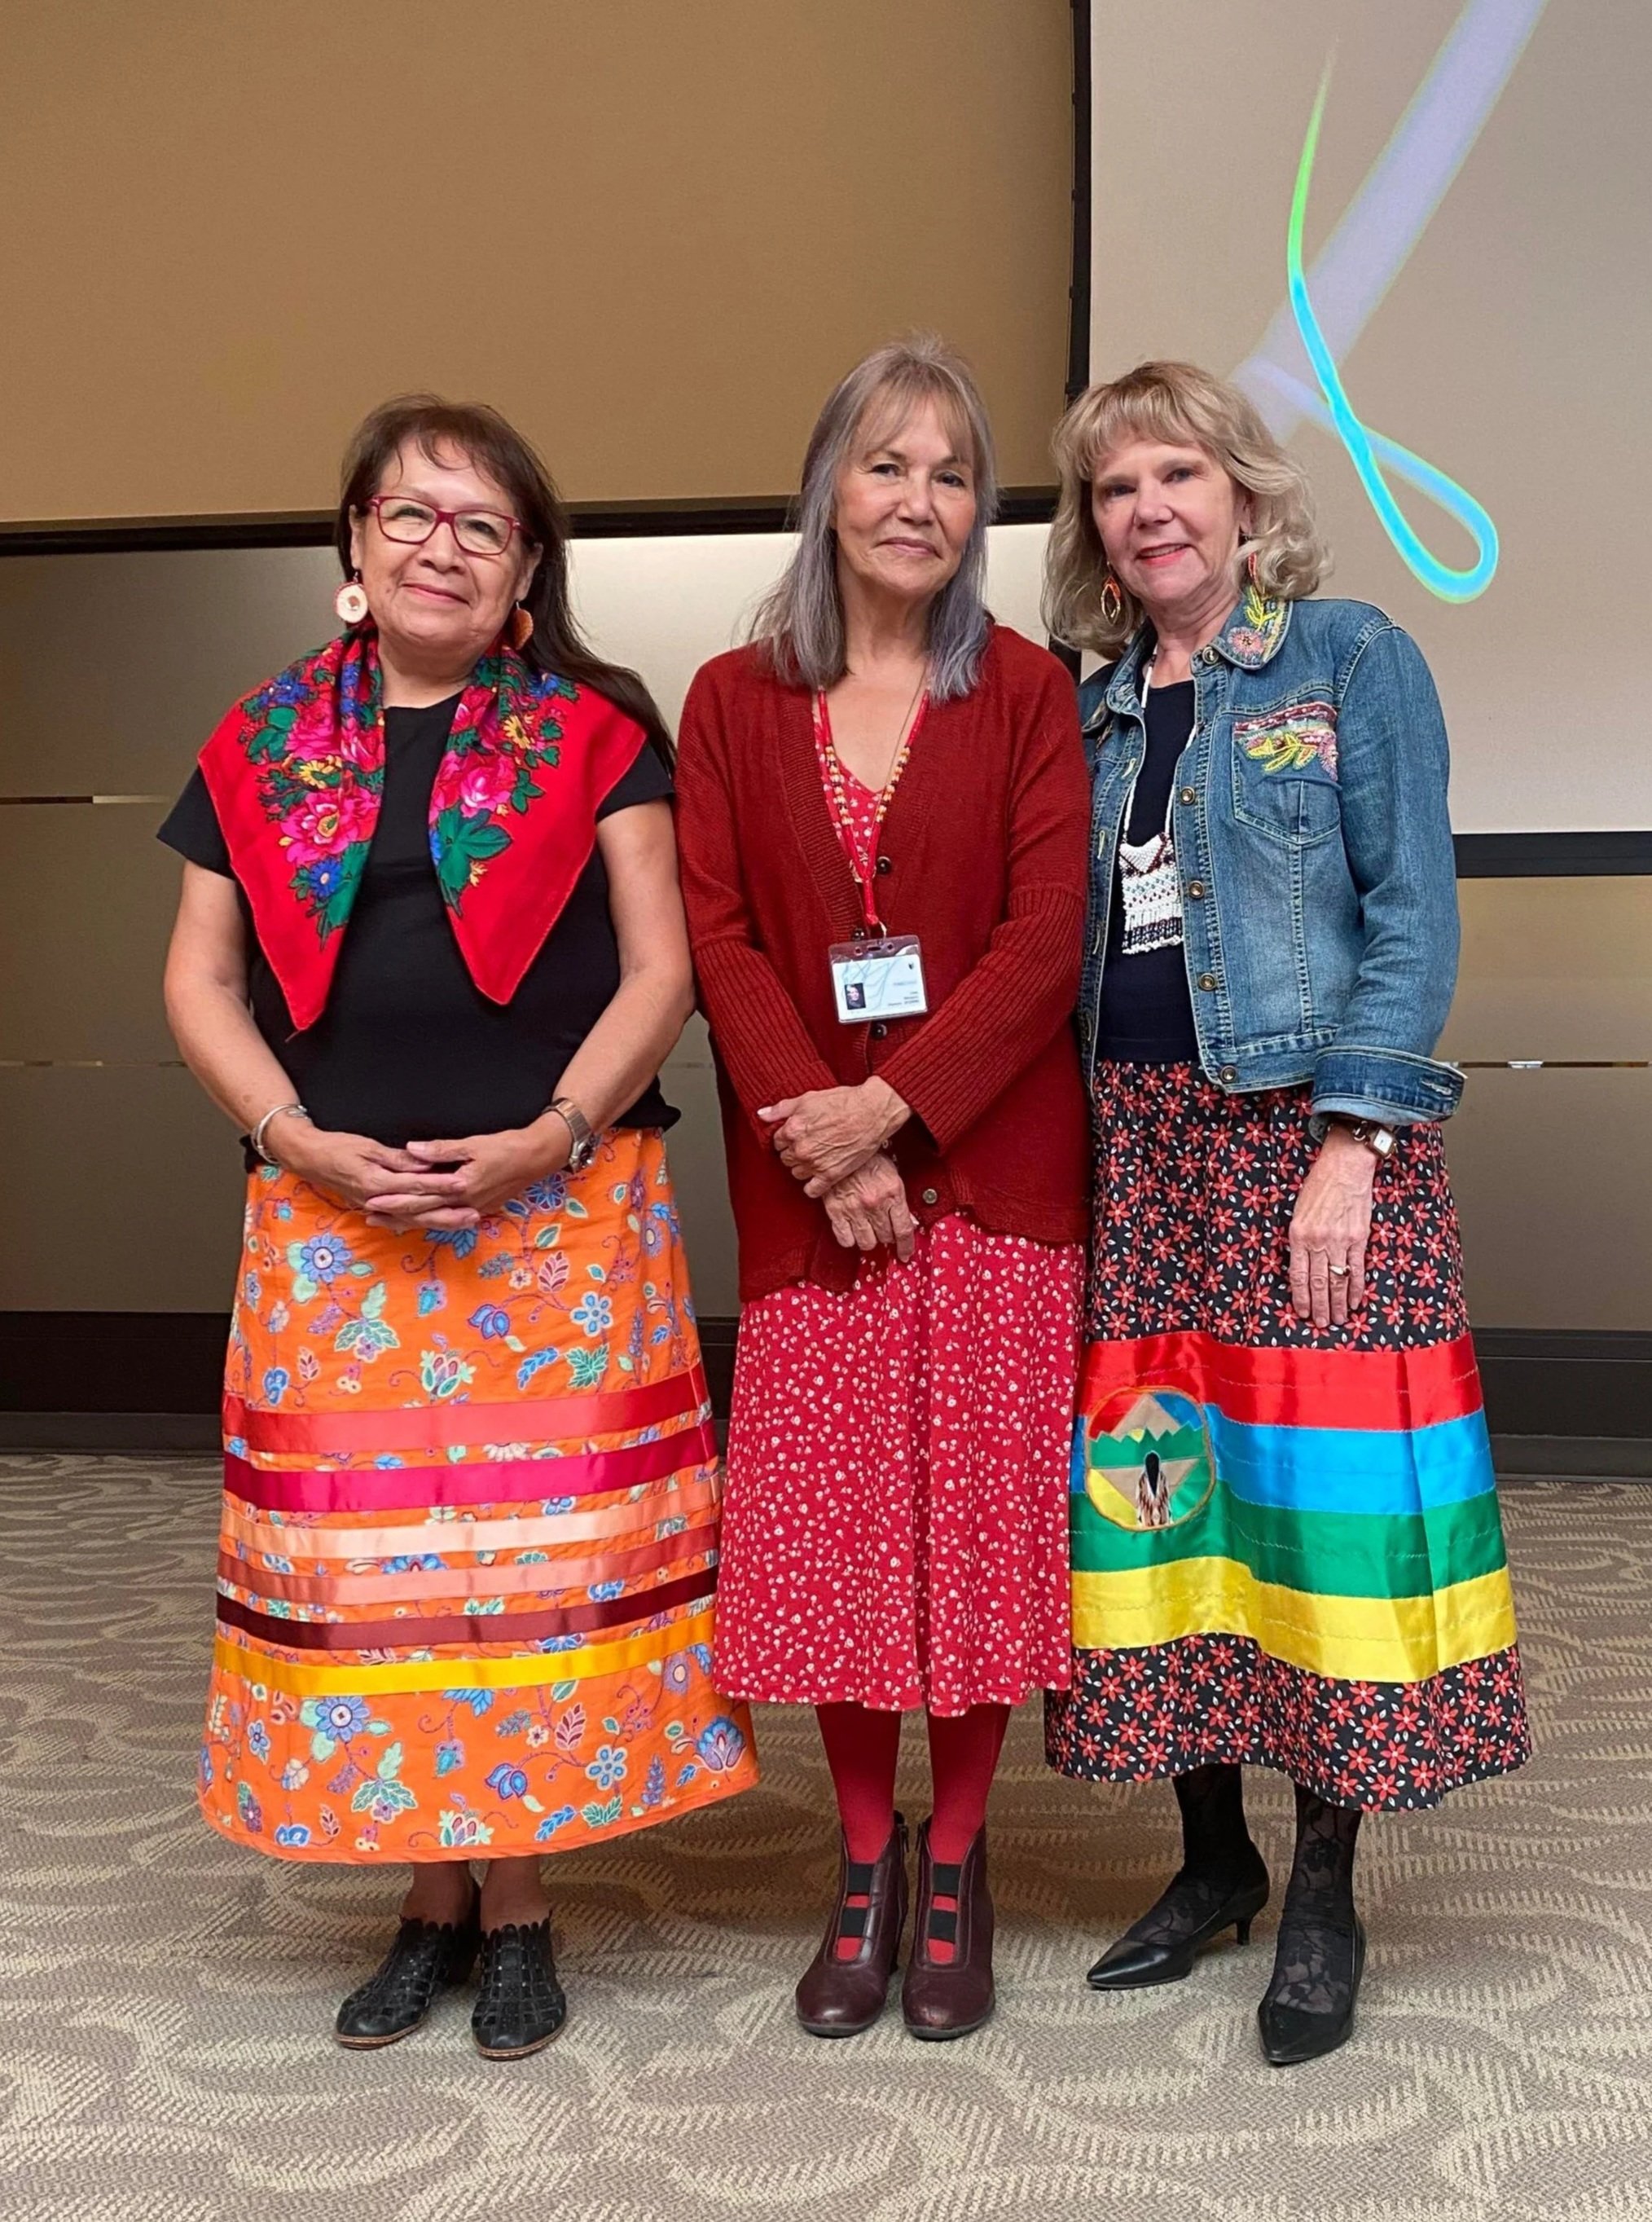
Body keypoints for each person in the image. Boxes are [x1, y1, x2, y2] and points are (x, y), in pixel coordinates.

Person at [160, 396, 756, 2059]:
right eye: (408, 514)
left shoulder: (598, 734)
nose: (438, 544)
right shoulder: (256, 742)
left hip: (558, 1221)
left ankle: (517, 1900)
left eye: (478, 525)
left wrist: (547, 1137)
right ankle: (429, 1889)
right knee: (384, 1576)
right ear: (352, 546)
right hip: (331, 1229)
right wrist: (296, 1140)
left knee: (531, 1573)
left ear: (526, 573)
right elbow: (197, 979)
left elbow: (663, 971)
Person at [1039, 360, 1530, 2065]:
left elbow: (1415, 914)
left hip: (1308, 1144)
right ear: (1096, 529)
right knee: (1167, 1501)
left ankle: (1325, 1877)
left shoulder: (1349, 659)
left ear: (1245, 497)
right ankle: (1210, 1852)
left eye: (1180, 472)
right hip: (1141, 1156)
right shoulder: (1087, 709)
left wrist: (1354, 1139)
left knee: (1321, 1521)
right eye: (1117, 486)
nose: (1151, 507)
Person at [676, 337, 1089, 2042]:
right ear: (827, 490)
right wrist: (818, 1138)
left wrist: (892, 1120)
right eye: (886, 464)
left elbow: (1042, 942)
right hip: (812, 1204)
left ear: (975, 512)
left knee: (977, 1541)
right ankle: (865, 1860)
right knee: (842, 1545)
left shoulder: (1035, 692)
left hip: (991, 1187)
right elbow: (721, 936)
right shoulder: (728, 697)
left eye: (949, 473)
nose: (916, 498)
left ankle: (965, 1851)